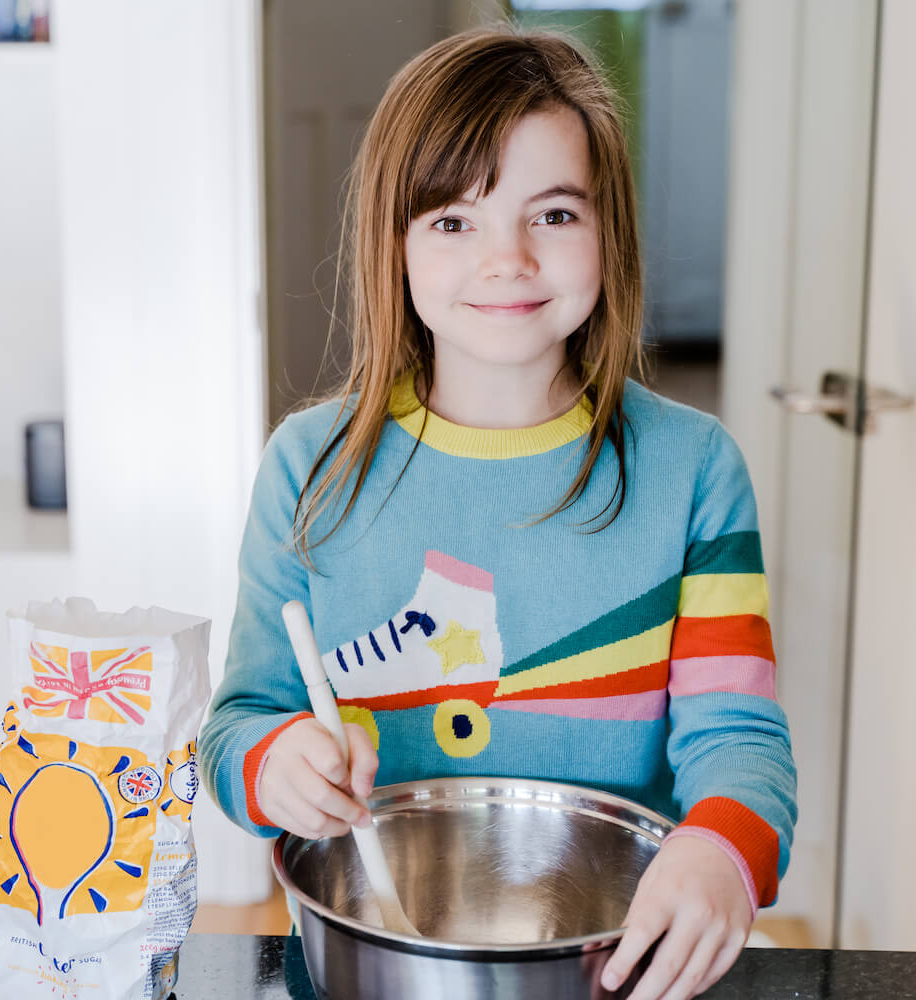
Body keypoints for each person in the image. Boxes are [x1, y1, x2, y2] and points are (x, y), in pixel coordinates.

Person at [200, 25, 797, 1000]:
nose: (507, 258)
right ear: (394, 243)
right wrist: (275, 767)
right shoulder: (307, 468)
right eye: (452, 222)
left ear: (610, 229)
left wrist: (721, 851)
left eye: (552, 214)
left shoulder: (695, 469)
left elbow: (738, 736)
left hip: (614, 966)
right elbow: (237, 730)